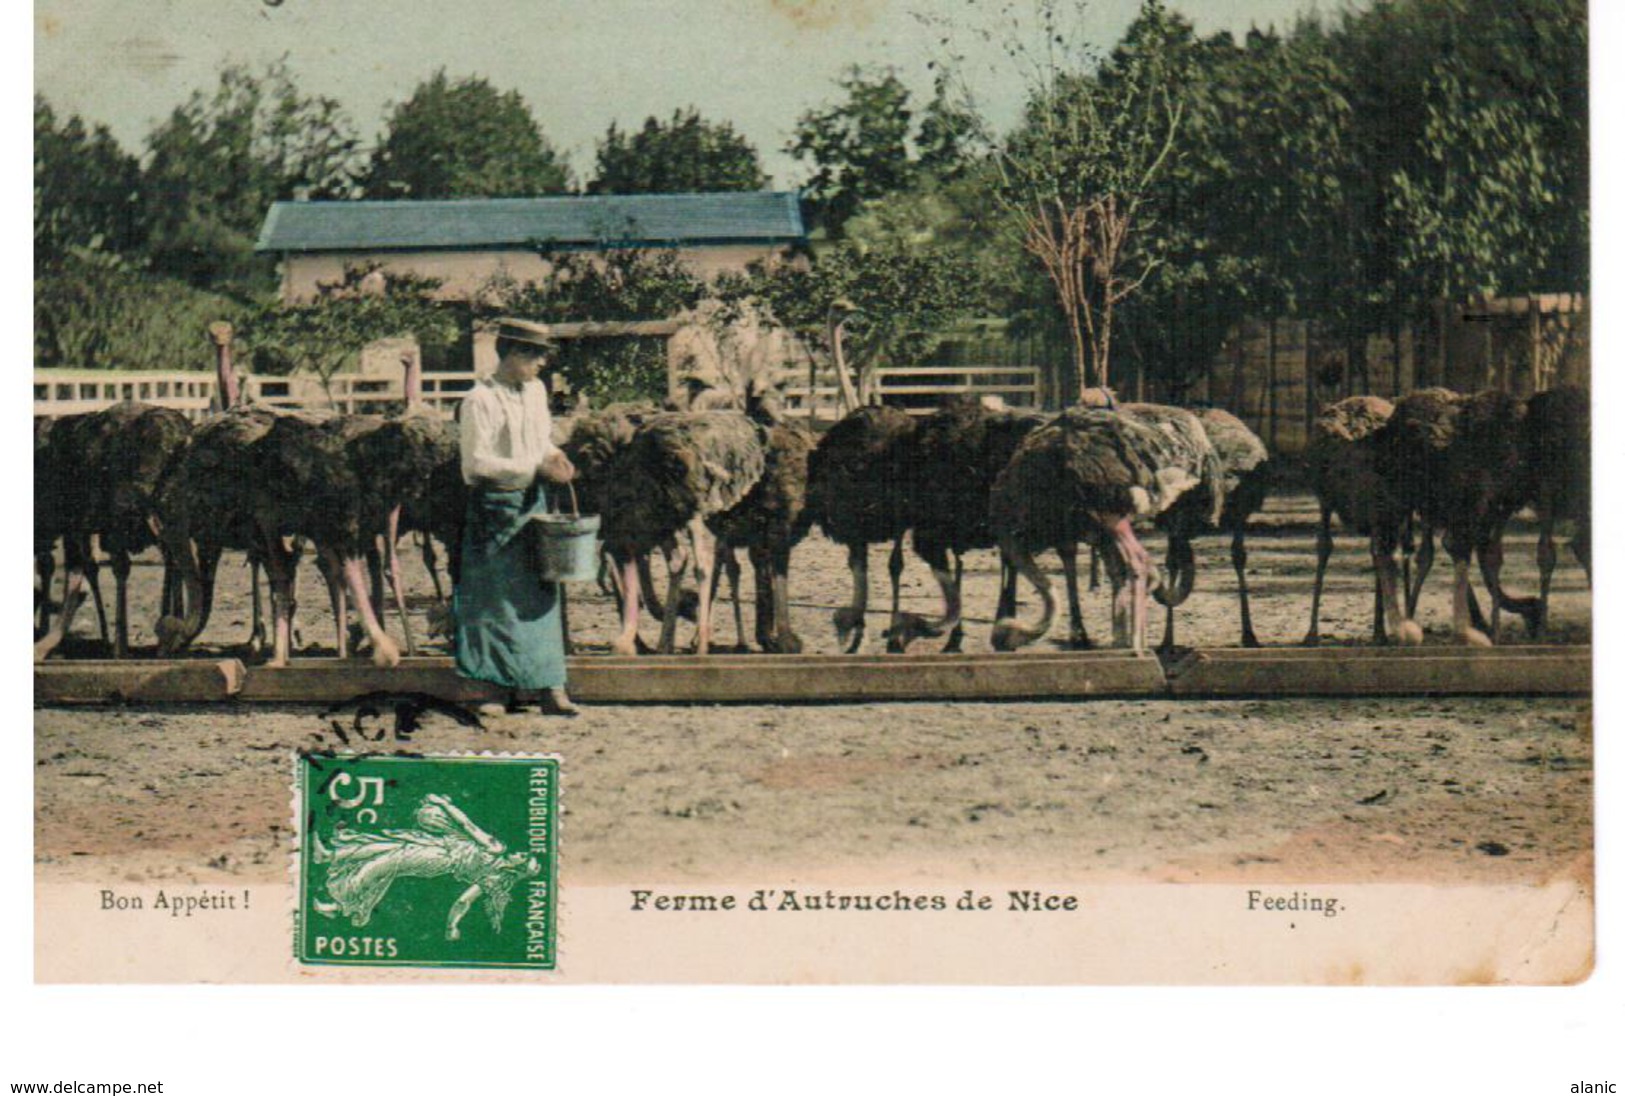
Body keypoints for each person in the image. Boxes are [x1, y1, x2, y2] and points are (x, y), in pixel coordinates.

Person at [453, 320, 579, 717]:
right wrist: (532, 467)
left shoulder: (536, 392)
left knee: (540, 596)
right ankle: (491, 690)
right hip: (494, 506)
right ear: (511, 354)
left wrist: (554, 456)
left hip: (533, 503)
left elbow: (540, 440)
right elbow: (475, 465)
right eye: (535, 355)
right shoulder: (479, 400)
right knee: (495, 601)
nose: (541, 363)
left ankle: (548, 686)